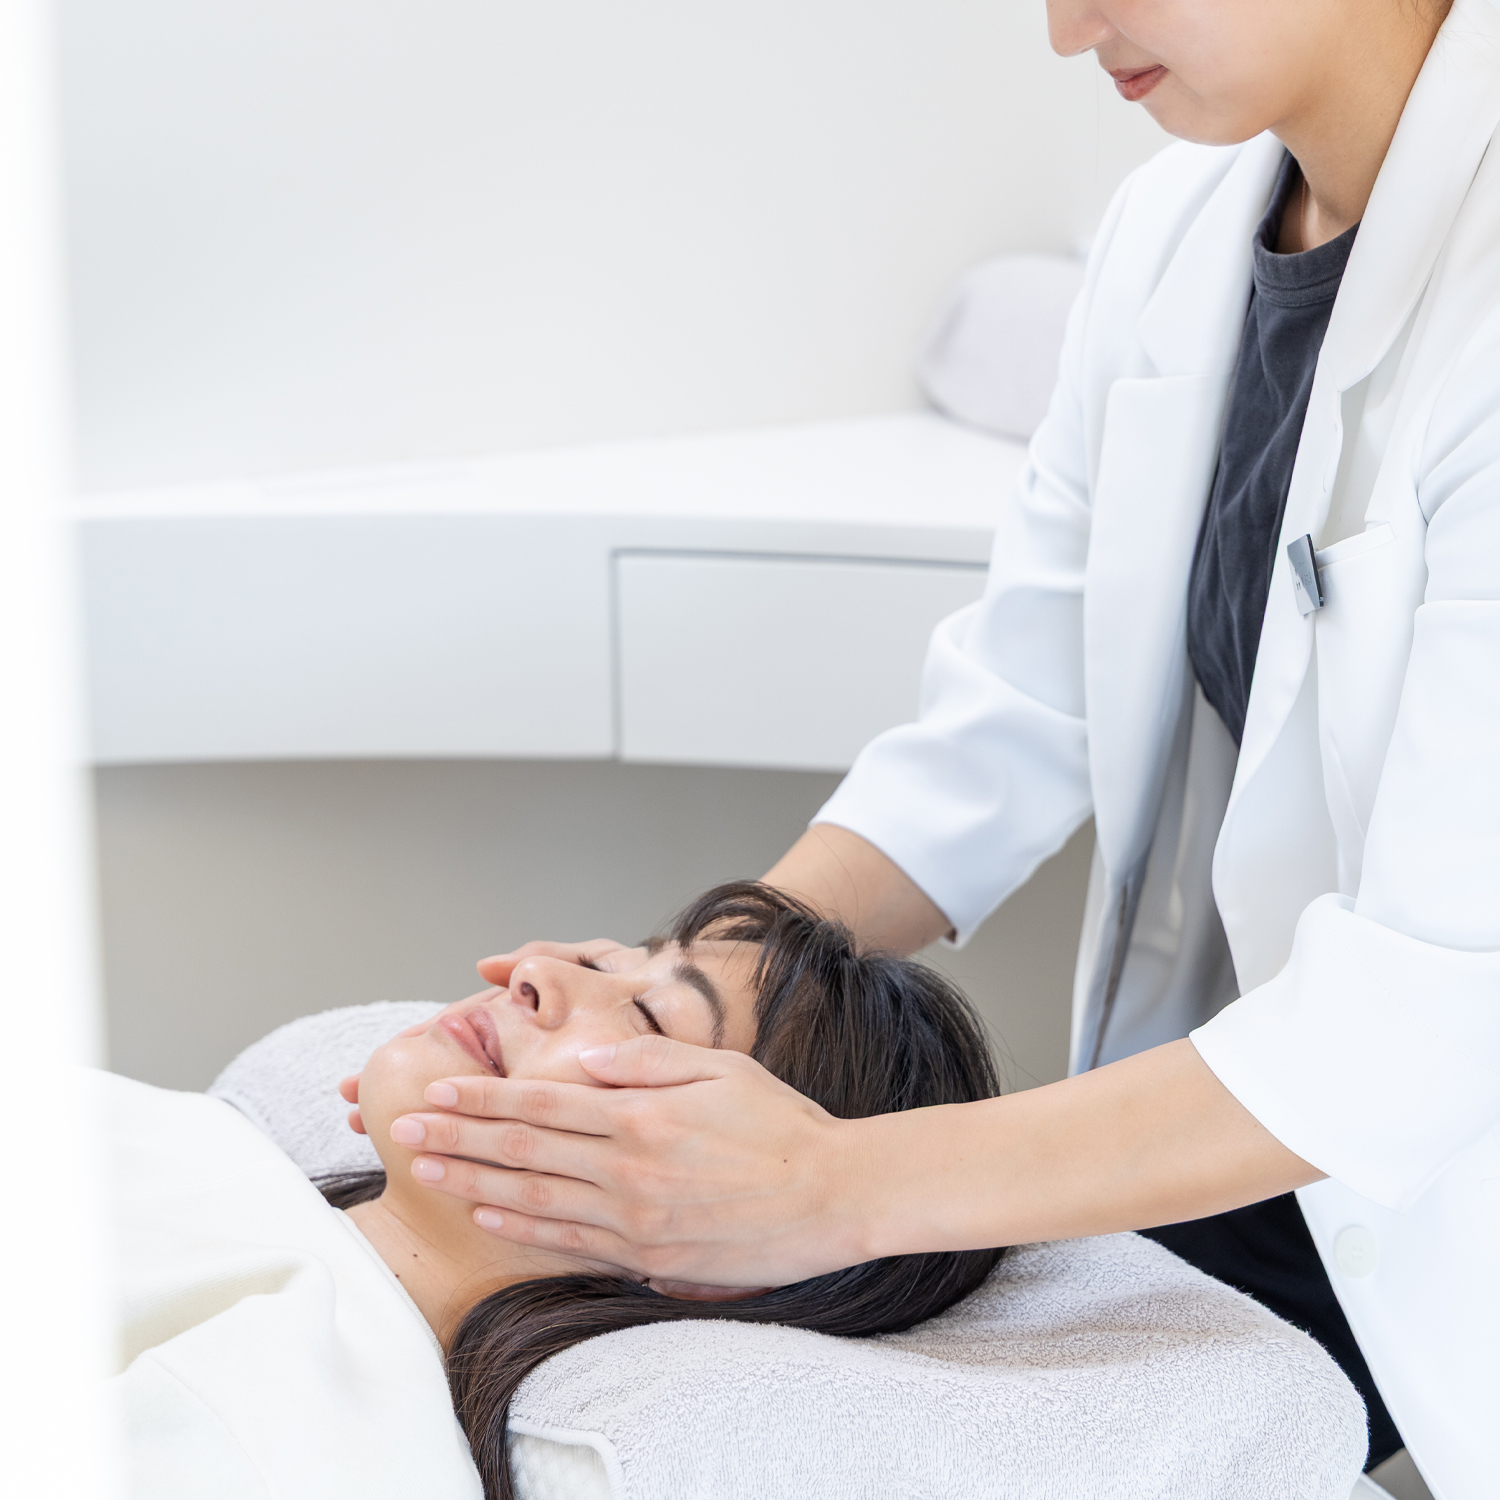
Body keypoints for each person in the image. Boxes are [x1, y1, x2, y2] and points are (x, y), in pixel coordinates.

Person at [367, 1, 1500, 1492]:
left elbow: (1433, 999)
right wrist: (677, 992)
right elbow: (1007, 717)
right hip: (1223, 1126)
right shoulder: (1175, 229)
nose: (1067, 29)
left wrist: (829, 1183)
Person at [106, 884, 1003, 1500]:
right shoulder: (183, 1142)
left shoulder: (294, 1444)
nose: (535, 971)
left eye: (649, 1016)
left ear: (720, 1230)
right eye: (609, 963)